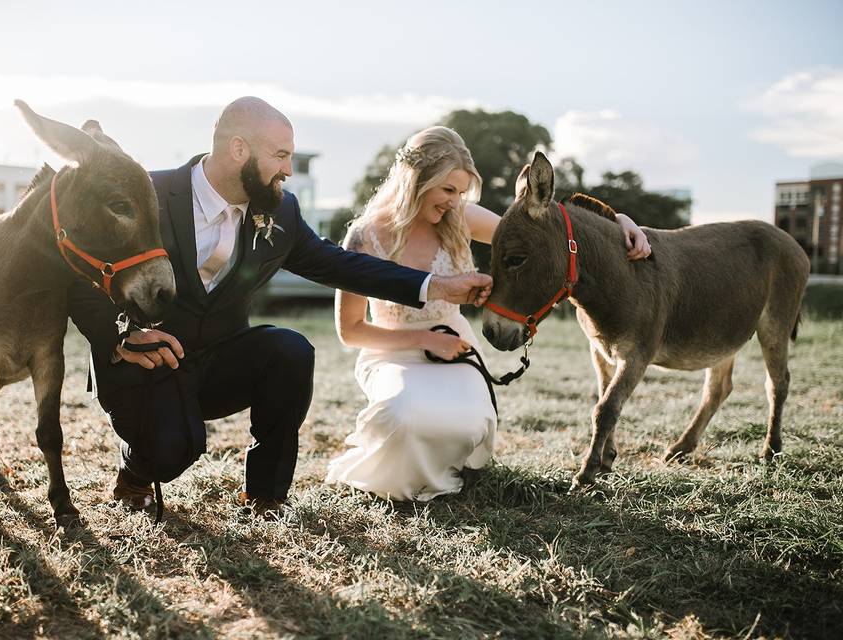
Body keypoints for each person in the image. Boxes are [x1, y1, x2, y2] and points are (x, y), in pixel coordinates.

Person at [67, 98, 493, 513]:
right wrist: (120, 334)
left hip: (220, 361)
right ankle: (135, 473)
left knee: (291, 350)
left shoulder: (281, 212)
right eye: (281, 155)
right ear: (239, 150)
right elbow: (74, 267)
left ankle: (265, 495)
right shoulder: (149, 192)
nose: (288, 170)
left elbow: (341, 265)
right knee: (173, 452)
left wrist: (436, 285)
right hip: (148, 363)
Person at [326, 126, 650, 501]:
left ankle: (441, 465)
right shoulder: (364, 238)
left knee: (470, 425)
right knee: (403, 417)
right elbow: (350, 331)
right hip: (391, 352)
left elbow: (546, 232)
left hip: (456, 344)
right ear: (416, 180)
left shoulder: (459, 217)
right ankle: (404, 475)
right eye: (448, 190)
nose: (454, 201)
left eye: (461, 193)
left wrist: (620, 222)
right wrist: (424, 339)